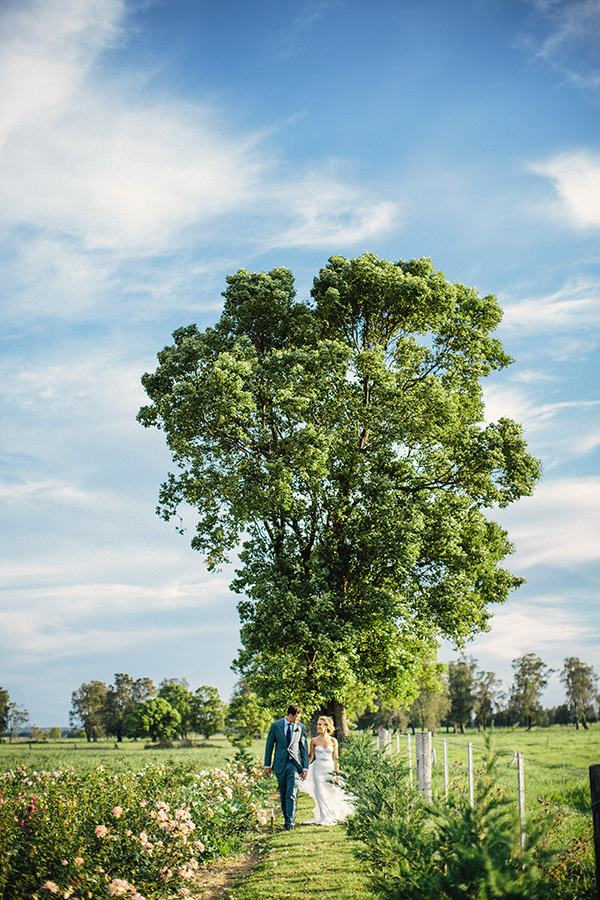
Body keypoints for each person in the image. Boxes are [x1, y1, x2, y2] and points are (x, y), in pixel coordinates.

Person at [300, 715, 354, 825]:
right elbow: (310, 757)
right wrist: (304, 768)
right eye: (317, 724)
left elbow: (336, 759)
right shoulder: (314, 740)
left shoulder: (333, 741)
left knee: (330, 792)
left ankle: (332, 815)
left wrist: (337, 774)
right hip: (317, 769)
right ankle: (324, 817)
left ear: (326, 726)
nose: (318, 726)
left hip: (330, 769)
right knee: (320, 792)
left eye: (320, 724)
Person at [264, 703, 309, 830]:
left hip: (294, 765)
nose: (298, 719)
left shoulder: (301, 727)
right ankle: (286, 818)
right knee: (283, 792)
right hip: (280, 764)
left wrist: (305, 767)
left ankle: (290, 821)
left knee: (292, 792)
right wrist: (267, 765)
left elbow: (303, 748)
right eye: (297, 717)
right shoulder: (275, 726)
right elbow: (269, 746)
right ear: (290, 715)